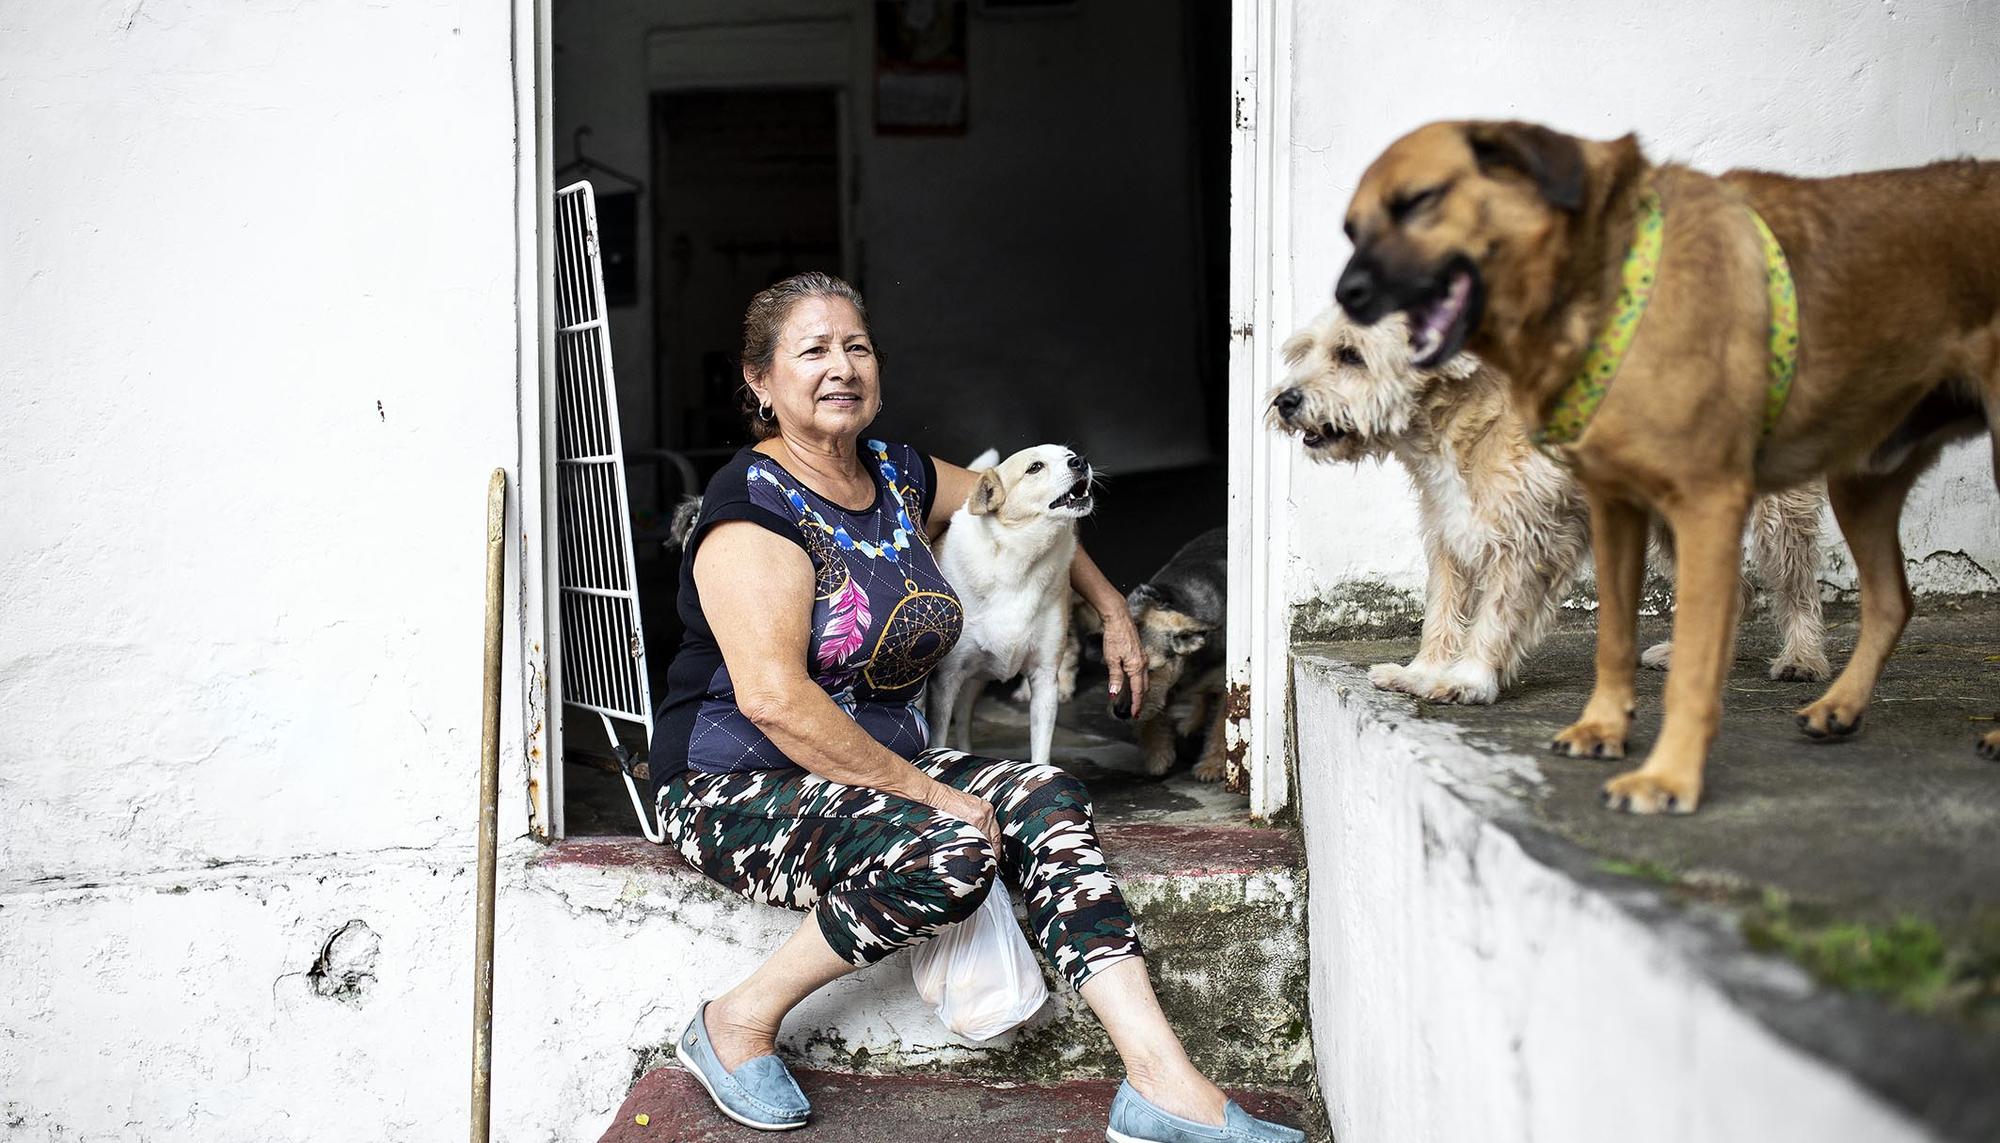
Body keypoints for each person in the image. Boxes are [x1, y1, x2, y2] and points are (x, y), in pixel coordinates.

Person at [652, 272, 1301, 1143]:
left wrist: (1109, 607)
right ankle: (735, 1022)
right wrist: (933, 794)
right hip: (736, 785)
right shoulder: (750, 513)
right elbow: (776, 703)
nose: (840, 367)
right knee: (952, 842)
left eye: (856, 346)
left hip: (869, 767)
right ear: (761, 382)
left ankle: (1161, 1083)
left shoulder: (897, 472)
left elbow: (1024, 504)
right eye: (812, 351)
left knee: (1045, 790)